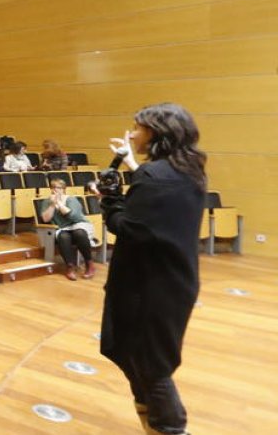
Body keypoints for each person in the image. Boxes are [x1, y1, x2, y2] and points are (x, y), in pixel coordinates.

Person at [100, 104, 205, 435]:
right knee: (145, 362)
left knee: (152, 368)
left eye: (138, 128)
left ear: (156, 132)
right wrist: (130, 162)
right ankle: (154, 425)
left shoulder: (154, 177)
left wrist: (110, 199)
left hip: (147, 288)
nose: (133, 133)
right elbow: (154, 200)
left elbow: (127, 227)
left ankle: (171, 428)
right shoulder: (188, 171)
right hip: (172, 282)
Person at [39, 177, 95, 281]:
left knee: (80, 233)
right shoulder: (47, 202)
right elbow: (46, 219)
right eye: (54, 187)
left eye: (59, 188)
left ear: (64, 189)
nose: (56, 190)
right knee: (63, 236)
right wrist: (52, 204)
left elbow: (73, 216)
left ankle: (89, 264)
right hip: (63, 229)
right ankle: (70, 267)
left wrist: (59, 203)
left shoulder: (71, 199)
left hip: (78, 225)